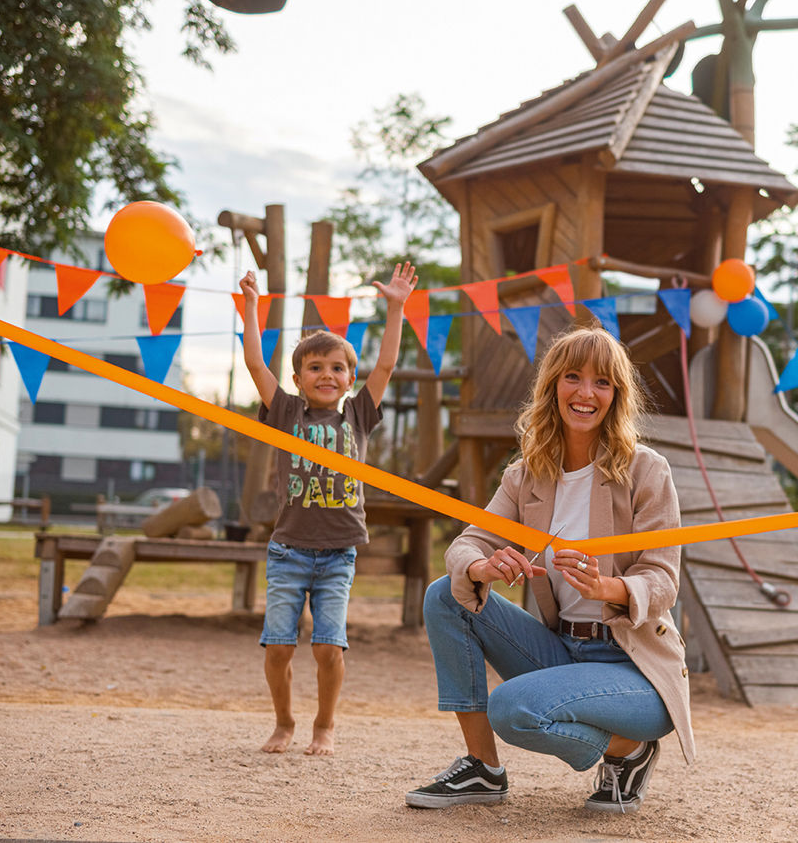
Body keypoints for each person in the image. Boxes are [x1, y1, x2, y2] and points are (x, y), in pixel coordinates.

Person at [405, 325, 693, 814]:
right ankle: (483, 769)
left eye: (602, 382)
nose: (585, 393)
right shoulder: (526, 474)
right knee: (444, 594)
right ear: (552, 386)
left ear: (617, 396)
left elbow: (663, 577)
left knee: (512, 707)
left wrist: (612, 586)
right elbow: (468, 542)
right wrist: (482, 565)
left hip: (632, 669)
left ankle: (630, 749)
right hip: (562, 651)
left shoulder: (647, 469)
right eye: (573, 377)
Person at [239, 261, 416, 756]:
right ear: (298, 378)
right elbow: (256, 365)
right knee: (277, 646)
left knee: (327, 645)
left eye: (336, 367)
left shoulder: (359, 414)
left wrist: (396, 307)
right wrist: (253, 307)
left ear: (348, 378)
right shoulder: (286, 413)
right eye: (315, 367)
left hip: (338, 554)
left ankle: (324, 726)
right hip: (289, 551)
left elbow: (384, 367)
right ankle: (283, 722)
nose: (326, 374)